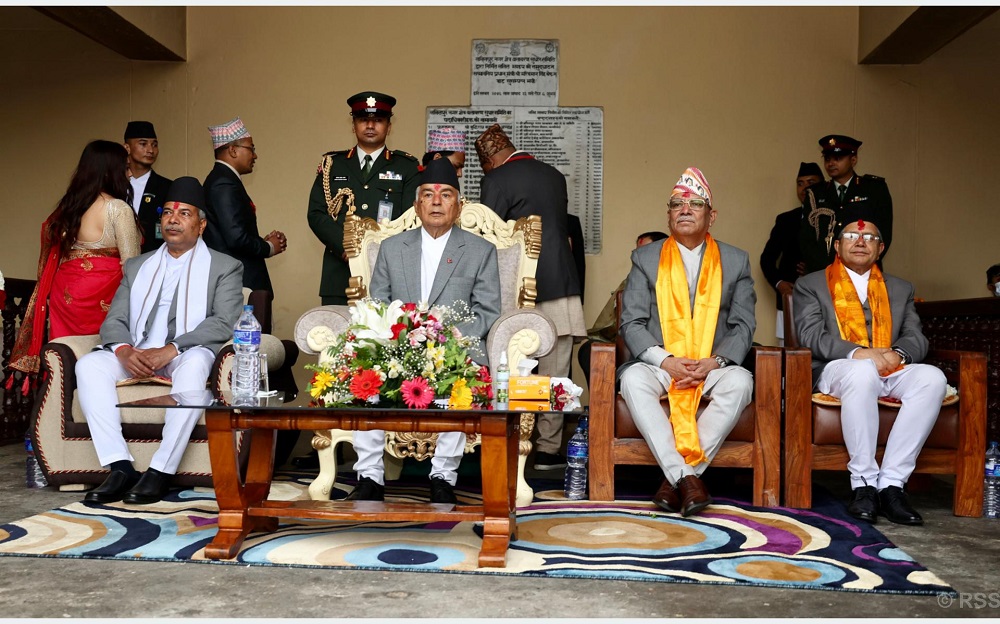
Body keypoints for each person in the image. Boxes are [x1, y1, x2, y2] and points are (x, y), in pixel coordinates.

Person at [77, 177, 244, 505]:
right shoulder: (139, 266)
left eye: (184, 213)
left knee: (195, 365)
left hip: (185, 351)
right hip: (138, 350)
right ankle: (120, 467)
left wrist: (171, 349)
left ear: (201, 224)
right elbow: (115, 319)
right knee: (90, 365)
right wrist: (124, 351)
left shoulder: (225, 267)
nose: (172, 219)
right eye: (167, 212)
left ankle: (160, 471)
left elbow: (223, 322)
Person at [345, 157, 502, 504]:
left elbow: (488, 310)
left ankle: (443, 477)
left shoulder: (481, 251)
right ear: (417, 205)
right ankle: (370, 476)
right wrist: (401, 337)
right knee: (367, 374)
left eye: (446, 195)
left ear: (458, 207)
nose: (436, 201)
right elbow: (378, 305)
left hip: (454, 347)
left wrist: (447, 337)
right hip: (399, 346)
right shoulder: (392, 248)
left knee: (461, 378)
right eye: (428, 194)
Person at [618, 167, 756, 517]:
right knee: (632, 379)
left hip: (711, 365)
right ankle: (686, 478)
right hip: (662, 363)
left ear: (712, 216)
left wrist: (715, 362)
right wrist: (666, 361)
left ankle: (675, 481)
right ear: (668, 214)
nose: (685, 209)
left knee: (741, 382)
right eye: (677, 204)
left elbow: (743, 324)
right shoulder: (645, 258)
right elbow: (631, 322)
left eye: (695, 204)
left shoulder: (736, 260)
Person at [793, 212, 944, 525]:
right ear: (837, 246)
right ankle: (863, 483)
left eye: (869, 238)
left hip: (891, 366)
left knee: (932, 378)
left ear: (881, 248)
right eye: (850, 236)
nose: (860, 241)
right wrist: (862, 354)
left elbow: (915, 335)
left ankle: (891, 485)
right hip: (837, 368)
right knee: (862, 372)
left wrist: (899, 353)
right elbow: (810, 335)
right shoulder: (811, 284)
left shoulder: (900, 288)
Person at [475, 123, 586, 471]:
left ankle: (508, 445)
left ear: (490, 160)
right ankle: (549, 450)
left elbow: (486, 234)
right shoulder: (555, 175)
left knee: (511, 369)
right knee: (556, 371)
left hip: (515, 287)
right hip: (561, 284)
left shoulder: (496, 180)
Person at [9, 140, 141, 385]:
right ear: (108, 172)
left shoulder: (69, 208)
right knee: (101, 362)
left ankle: (59, 410)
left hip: (66, 293)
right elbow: (132, 266)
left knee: (65, 356)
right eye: (125, 167)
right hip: (104, 297)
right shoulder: (117, 209)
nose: (130, 173)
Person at [308, 91, 421, 305]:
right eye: (363, 120)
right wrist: (347, 248)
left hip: (389, 273)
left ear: (389, 126)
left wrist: (378, 252)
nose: (370, 126)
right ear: (353, 125)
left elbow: (411, 219)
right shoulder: (333, 165)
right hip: (340, 275)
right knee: (338, 336)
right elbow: (316, 214)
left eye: (378, 120)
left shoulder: (406, 167)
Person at [203, 117, 287, 295]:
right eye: (251, 149)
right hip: (238, 284)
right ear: (233, 150)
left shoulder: (225, 180)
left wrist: (261, 242)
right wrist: (269, 247)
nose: (255, 155)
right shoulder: (223, 183)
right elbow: (236, 239)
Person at [577, 231, 667, 385]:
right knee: (589, 350)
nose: (640, 256)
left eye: (646, 251)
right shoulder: (631, 281)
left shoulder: (677, 280)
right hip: (623, 341)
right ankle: (603, 406)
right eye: (637, 252)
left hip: (660, 347)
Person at [799, 135, 893, 274]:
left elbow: (883, 233)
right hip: (823, 273)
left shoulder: (874, 189)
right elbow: (807, 239)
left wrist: (860, 266)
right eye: (827, 159)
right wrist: (826, 270)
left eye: (837, 159)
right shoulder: (816, 193)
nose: (831, 163)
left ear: (853, 160)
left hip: (864, 273)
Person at [759, 162, 824, 345]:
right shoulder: (786, 220)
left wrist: (814, 269)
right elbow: (767, 259)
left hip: (826, 302)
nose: (805, 188)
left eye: (811, 182)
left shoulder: (833, 218)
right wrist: (779, 284)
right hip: (791, 301)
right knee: (788, 361)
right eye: (800, 183)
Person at [123, 121, 173, 253]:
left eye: (154, 145)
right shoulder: (114, 184)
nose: (150, 150)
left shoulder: (167, 187)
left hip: (153, 258)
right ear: (127, 148)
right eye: (143, 144)